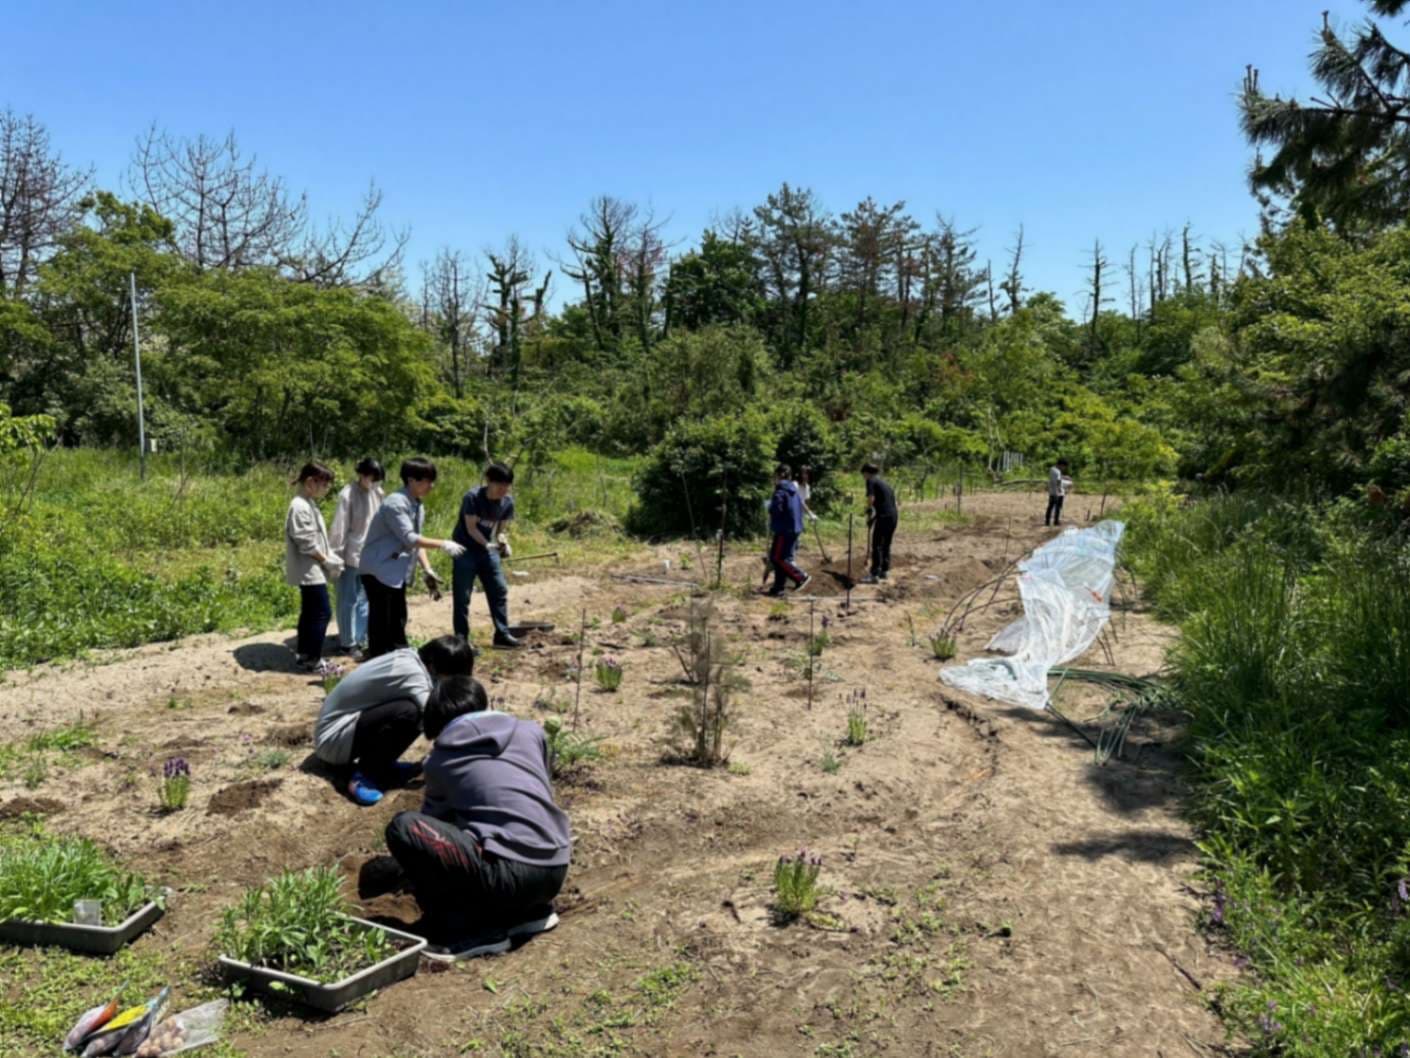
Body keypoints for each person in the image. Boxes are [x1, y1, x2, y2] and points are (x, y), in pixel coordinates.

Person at [385, 675, 571, 959]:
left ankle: (471, 931)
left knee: (404, 828)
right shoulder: (531, 731)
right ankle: (528, 914)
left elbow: (435, 827)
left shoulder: (441, 759)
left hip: (508, 877)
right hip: (555, 866)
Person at [313, 634, 476, 806]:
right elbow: (434, 716)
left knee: (411, 710)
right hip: (332, 741)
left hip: (342, 729)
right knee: (412, 714)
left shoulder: (411, 659)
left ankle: (383, 765)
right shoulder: (413, 674)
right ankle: (365, 775)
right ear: (435, 667)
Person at [360, 458, 466, 659]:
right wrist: (443, 544)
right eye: (427, 480)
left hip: (394, 571)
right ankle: (379, 660)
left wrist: (427, 568)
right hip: (377, 569)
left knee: (398, 617)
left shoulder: (417, 504)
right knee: (382, 620)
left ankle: (399, 657)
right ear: (411, 480)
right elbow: (409, 537)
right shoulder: (395, 503)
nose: (431, 486)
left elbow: (415, 542)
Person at [451, 463, 520, 650]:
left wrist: (504, 543)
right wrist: (487, 544)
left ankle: (502, 634)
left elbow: (500, 531)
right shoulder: (472, 498)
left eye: (506, 486)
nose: (503, 490)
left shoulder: (507, 502)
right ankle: (462, 641)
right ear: (488, 481)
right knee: (462, 597)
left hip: (487, 552)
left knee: (499, 590)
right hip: (465, 550)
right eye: (499, 485)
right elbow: (471, 528)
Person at [285, 462, 342, 671]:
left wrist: (330, 556)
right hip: (309, 569)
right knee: (321, 612)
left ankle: (305, 654)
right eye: (324, 484)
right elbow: (306, 543)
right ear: (310, 482)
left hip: (314, 566)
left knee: (310, 611)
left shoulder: (309, 503)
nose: (326, 489)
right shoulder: (300, 506)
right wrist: (325, 560)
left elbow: (316, 538)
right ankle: (313, 659)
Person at [328, 457, 385, 660]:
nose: (374, 482)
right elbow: (339, 528)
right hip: (349, 553)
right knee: (347, 598)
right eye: (372, 478)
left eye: (377, 479)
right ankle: (347, 642)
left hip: (370, 554)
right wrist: (335, 556)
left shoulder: (377, 493)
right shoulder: (348, 494)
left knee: (365, 597)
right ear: (362, 475)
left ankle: (360, 637)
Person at [766, 464, 810, 596]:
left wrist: (769, 508)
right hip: (794, 528)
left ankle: (800, 577)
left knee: (778, 558)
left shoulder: (780, 490)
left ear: (778, 475)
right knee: (780, 558)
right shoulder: (793, 489)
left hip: (784, 530)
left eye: (775, 476)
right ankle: (778, 587)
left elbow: (776, 509)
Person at [860, 463, 898, 584]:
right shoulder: (885, 483)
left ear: (866, 473)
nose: (863, 477)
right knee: (886, 544)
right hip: (893, 516)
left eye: (863, 474)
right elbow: (887, 502)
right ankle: (884, 571)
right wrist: (874, 517)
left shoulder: (871, 481)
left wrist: (868, 512)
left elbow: (871, 498)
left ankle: (874, 574)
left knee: (876, 544)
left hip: (883, 517)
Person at [1045, 458, 1072, 527]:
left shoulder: (1052, 469)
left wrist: (1065, 477)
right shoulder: (1057, 472)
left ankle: (1047, 521)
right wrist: (1060, 489)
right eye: (1064, 467)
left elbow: (1058, 477)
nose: (1064, 468)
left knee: (1050, 506)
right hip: (1057, 492)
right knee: (1058, 507)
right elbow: (1058, 481)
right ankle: (1056, 521)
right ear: (1061, 465)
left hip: (1052, 491)